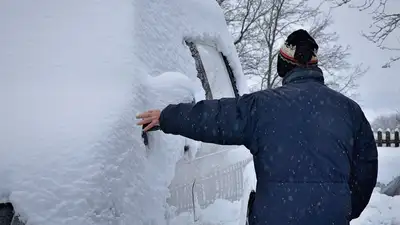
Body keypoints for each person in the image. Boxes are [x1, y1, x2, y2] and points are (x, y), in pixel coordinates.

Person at [136, 29, 378, 225]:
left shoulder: (263, 106)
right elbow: (366, 171)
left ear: (284, 66)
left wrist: (167, 117)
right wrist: (342, 207)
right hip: (331, 218)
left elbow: (215, 117)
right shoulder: (349, 110)